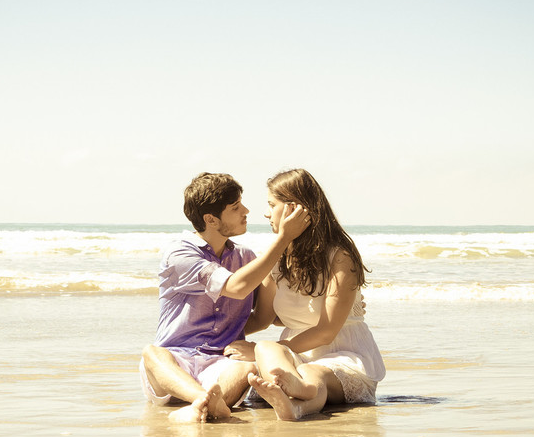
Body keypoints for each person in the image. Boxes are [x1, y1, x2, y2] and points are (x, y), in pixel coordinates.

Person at [141, 172, 309, 423]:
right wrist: (283, 238)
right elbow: (236, 287)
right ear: (211, 219)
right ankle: (203, 400)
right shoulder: (180, 254)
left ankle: (200, 406)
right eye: (235, 207)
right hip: (176, 363)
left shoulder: (246, 258)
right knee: (152, 354)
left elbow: (263, 317)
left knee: (249, 367)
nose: (246, 211)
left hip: (223, 365)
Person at [232, 169, 385, 421]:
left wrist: (270, 351)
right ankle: (293, 405)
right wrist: (214, 335)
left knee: (314, 374)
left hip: (344, 354)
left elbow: (326, 331)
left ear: (294, 209)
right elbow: (262, 319)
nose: (266, 213)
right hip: (296, 353)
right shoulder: (277, 259)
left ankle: (297, 393)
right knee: (267, 348)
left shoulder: (340, 256)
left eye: (272, 204)